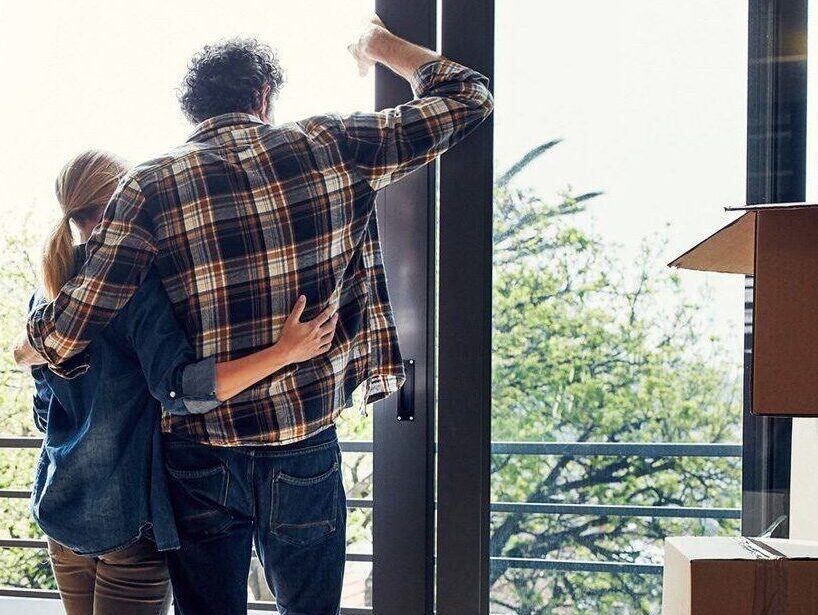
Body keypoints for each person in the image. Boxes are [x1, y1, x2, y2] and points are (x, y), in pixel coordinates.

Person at [19, 14, 493, 615]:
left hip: (199, 451)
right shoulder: (332, 144)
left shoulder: (148, 187)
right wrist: (380, 46)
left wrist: (29, 341)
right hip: (301, 439)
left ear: (194, 110)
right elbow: (467, 96)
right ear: (264, 96)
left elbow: (65, 333)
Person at [20, 151, 338, 615]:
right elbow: (179, 390)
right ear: (121, 204)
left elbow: (44, 412)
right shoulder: (133, 287)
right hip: (128, 521)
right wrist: (283, 352)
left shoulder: (46, 292)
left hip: (62, 510)